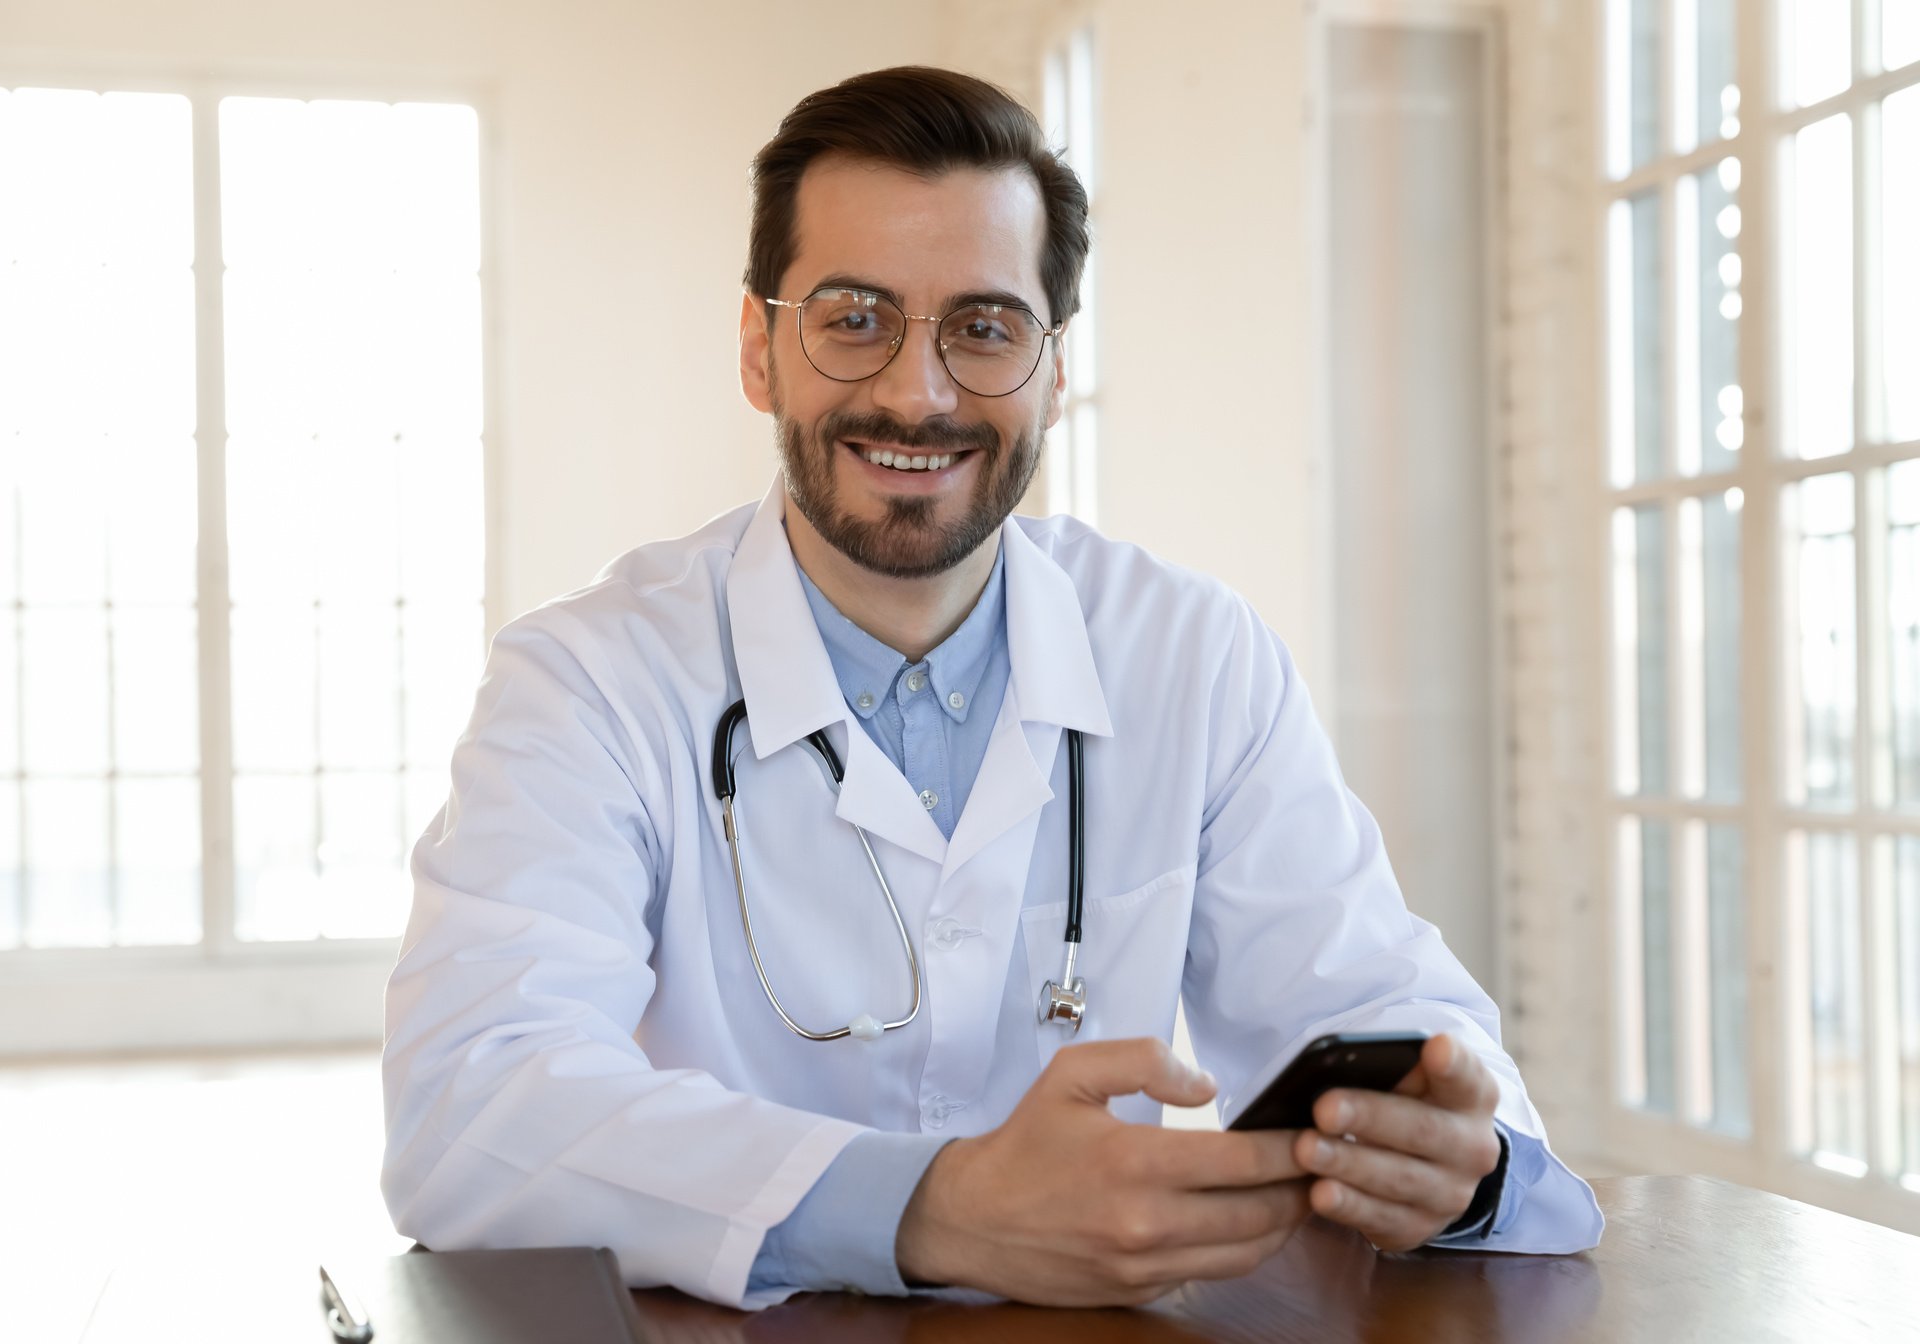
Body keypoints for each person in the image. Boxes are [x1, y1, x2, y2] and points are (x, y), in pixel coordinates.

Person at [380, 65, 1603, 1310]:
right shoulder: (587, 682)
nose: (919, 392)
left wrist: (1462, 1160)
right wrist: (932, 1208)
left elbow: (1384, 1016)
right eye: (853, 317)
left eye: (983, 326)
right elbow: (473, 1107)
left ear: (1054, 370)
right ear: (760, 350)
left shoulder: (1194, 657)